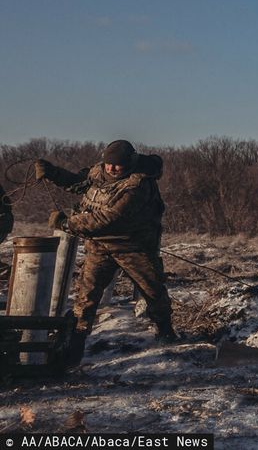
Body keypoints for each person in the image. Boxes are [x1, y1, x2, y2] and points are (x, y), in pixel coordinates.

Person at [35, 139, 175, 364]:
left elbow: (107, 218)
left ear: (129, 163)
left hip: (134, 248)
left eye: (117, 165)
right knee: (86, 297)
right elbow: (78, 182)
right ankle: (73, 348)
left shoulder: (138, 185)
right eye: (108, 164)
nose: (111, 169)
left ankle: (166, 333)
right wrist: (53, 173)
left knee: (153, 291)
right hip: (99, 246)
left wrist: (66, 223)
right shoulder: (99, 172)